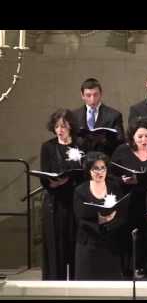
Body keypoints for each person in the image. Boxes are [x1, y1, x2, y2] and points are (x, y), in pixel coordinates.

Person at [110, 117, 147, 278]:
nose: (143, 140)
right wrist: (122, 180)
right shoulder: (122, 151)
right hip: (128, 201)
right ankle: (128, 269)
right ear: (133, 137)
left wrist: (142, 178)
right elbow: (111, 174)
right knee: (127, 235)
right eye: (140, 136)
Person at [40, 109, 83, 280]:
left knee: (73, 243)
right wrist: (52, 182)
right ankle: (53, 284)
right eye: (57, 126)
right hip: (55, 201)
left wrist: (69, 179)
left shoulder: (80, 144)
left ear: (70, 126)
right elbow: (44, 173)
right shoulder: (48, 146)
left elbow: (85, 172)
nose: (60, 130)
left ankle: (75, 283)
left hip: (74, 198)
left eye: (63, 126)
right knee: (55, 243)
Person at [73, 152, 127, 280]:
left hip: (110, 244)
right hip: (88, 244)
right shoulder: (80, 190)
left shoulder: (114, 187)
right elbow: (79, 219)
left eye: (103, 168)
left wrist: (110, 224)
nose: (100, 172)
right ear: (89, 170)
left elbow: (122, 214)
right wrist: (100, 220)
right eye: (95, 168)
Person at [72, 78, 125, 157]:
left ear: (101, 94)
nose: (92, 99)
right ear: (82, 95)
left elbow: (120, 141)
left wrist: (104, 140)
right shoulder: (74, 115)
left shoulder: (114, 115)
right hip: (81, 161)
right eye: (88, 95)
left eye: (95, 95)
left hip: (105, 160)